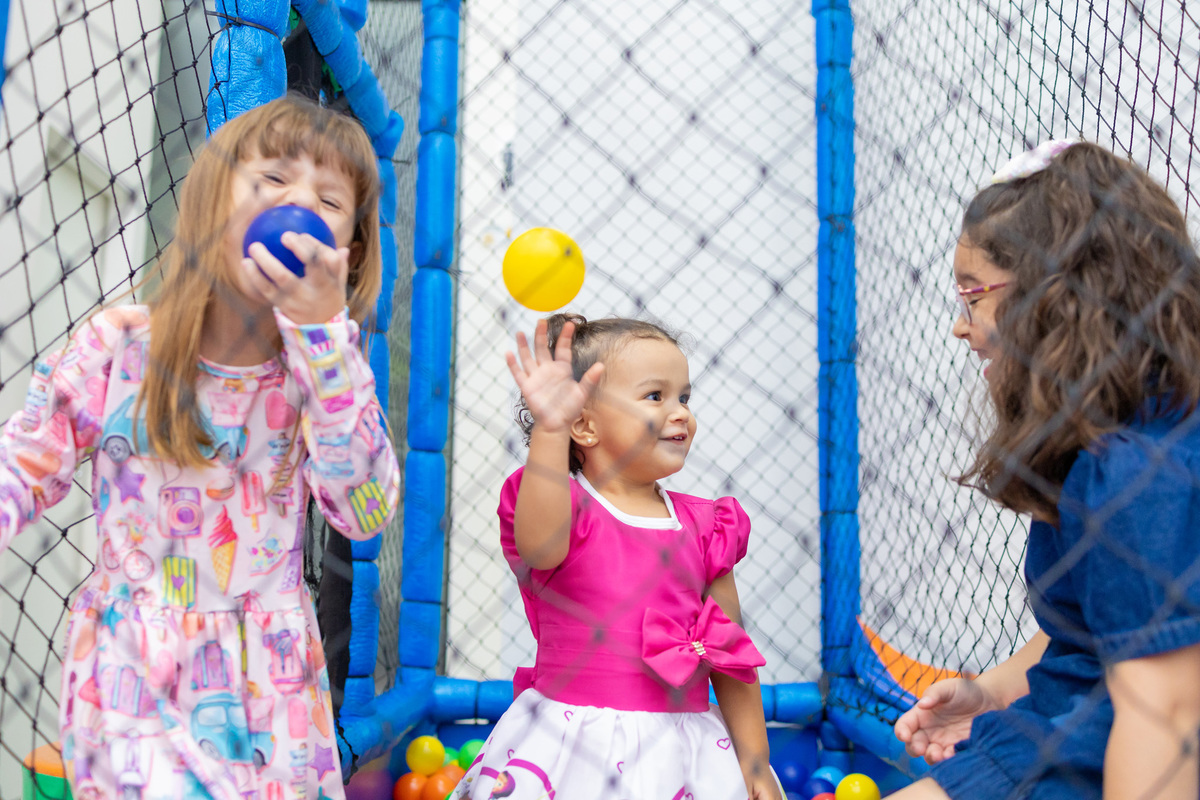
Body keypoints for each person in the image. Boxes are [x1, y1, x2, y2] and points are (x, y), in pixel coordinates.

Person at [0, 94, 400, 800]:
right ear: (217, 200)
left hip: (271, 677)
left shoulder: (324, 373)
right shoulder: (120, 346)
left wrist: (323, 340)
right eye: (273, 180)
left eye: (328, 200)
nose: (297, 205)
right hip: (134, 668)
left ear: (349, 252)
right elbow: (23, 466)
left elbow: (365, 507)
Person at [891, 140, 1200, 799]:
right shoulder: (1113, 439)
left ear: (1052, 297)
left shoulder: (1140, 472)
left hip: (1087, 760)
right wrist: (992, 690)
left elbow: (1168, 712)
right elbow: (1102, 625)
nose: (961, 325)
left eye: (973, 296)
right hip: (1051, 731)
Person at [453, 314, 781, 800]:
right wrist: (550, 429)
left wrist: (755, 766)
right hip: (571, 743)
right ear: (584, 424)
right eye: (655, 396)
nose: (680, 413)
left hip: (682, 749)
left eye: (684, 397)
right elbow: (540, 549)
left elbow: (730, 656)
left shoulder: (707, 527)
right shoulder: (561, 507)